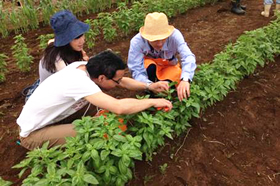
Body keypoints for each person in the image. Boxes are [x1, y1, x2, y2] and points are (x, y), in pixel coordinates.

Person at [17, 50, 172, 150]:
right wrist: (152, 102)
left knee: (103, 115)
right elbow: (118, 107)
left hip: (52, 117)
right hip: (33, 133)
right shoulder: (79, 82)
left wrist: (149, 86)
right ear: (102, 78)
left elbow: (122, 81)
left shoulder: (86, 67)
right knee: (96, 132)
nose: (119, 84)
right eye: (115, 81)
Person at [127, 12, 196, 102]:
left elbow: (188, 56)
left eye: (163, 38)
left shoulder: (175, 36)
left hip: (168, 66)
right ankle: (151, 93)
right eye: (155, 40)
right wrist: (149, 85)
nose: (159, 44)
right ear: (146, 37)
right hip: (149, 66)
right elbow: (136, 69)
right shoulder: (137, 42)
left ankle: (165, 90)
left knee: (177, 78)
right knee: (149, 68)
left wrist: (185, 79)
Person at [22, 10, 89, 101]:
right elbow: (75, 86)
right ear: (65, 39)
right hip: (44, 99)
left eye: (81, 35)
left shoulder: (66, 47)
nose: (82, 41)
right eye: (76, 37)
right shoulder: (58, 60)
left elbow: (51, 41)